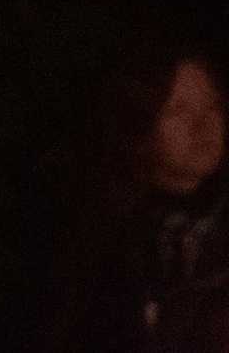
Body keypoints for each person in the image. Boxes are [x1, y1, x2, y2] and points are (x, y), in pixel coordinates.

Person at [38, 45, 229, 353]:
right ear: (140, 126)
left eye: (212, 106)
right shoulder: (96, 241)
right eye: (178, 110)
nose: (204, 124)